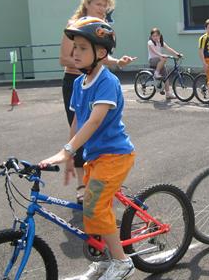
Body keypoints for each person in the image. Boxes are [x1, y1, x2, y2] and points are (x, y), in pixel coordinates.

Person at [42, 17, 136, 280]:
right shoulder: (77, 83)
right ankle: (107, 259)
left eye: (83, 47)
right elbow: (77, 121)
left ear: (101, 52)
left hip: (115, 155)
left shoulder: (106, 81)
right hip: (96, 156)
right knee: (91, 210)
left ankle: (122, 261)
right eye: (75, 47)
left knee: (94, 204)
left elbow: (95, 120)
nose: (75, 52)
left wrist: (68, 151)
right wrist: (70, 155)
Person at [59, 0, 136, 204]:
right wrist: (81, 60)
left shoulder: (102, 29)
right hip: (76, 82)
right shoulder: (74, 27)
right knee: (81, 130)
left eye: (105, 5)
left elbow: (101, 56)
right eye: (99, 4)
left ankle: (105, 175)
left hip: (97, 80)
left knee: (102, 129)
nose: (103, 9)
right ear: (87, 4)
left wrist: (117, 61)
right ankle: (83, 185)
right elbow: (65, 58)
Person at [147, 27, 183, 100]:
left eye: (157, 35)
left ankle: (168, 94)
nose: (155, 37)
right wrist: (161, 55)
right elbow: (154, 51)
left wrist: (177, 54)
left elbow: (169, 48)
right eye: (153, 36)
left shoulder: (160, 42)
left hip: (160, 60)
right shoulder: (150, 42)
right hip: (153, 60)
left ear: (159, 36)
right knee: (164, 58)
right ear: (151, 36)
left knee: (166, 76)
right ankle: (156, 73)